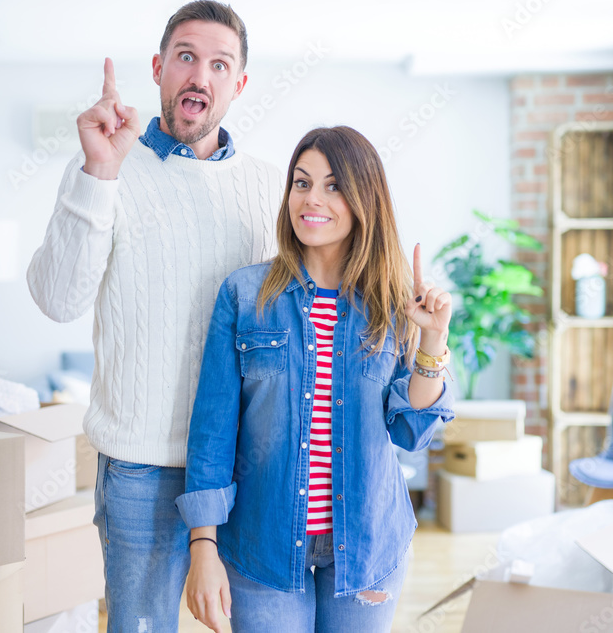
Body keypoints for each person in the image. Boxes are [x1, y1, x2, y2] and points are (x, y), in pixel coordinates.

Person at [26, 0, 282, 632]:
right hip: (141, 464)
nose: (201, 75)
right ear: (158, 68)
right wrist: (100, 172)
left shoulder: (272, 189)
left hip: (243, 465)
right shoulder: (104, 168)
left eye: (220, 65)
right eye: (186, 57)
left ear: (239, 85)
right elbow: (57, 299)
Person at [176, 126, 455, 632]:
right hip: (264, 549)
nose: (312, 199)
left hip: (369, 547)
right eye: (301, 183)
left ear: (364, 199)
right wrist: (203, 546)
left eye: (333, 186)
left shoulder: (394, 304)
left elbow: (411, 431)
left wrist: (432, 342)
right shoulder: (244, 295)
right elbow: (212, 432)